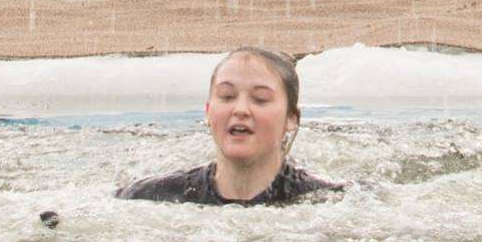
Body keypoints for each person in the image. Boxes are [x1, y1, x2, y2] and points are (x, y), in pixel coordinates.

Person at [117, 47, 342, 205]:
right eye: (227, 96)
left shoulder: (327, 199)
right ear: (208, 111)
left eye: (260, 99)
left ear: (291, 118)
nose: (241, 109)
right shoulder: (153, 195)